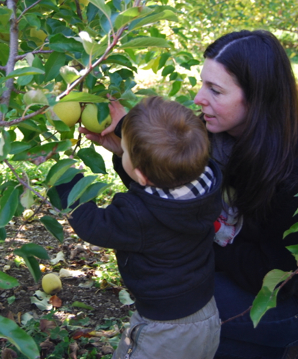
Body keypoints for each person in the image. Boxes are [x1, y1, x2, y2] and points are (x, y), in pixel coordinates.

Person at [83, 30, 298, 359]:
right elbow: (169, 194)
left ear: (256, 97)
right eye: (202, 83)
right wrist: (129, 146)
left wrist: (191, 237)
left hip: (293, 301)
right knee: (170, 293)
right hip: (232, 267)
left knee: (174, 304)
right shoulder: (212, 136)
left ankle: (278, 346)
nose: (198, 98)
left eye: (215, 90)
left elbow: (273, 276)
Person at [56, 96, 222, 359]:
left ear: (143, 175)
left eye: (126, 148)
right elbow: (155, 185)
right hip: (205, 315)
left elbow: (93, 225)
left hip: (164, 330)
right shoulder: (205, 179)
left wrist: (64, 177)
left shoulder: (139, 216)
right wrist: (126, 143)